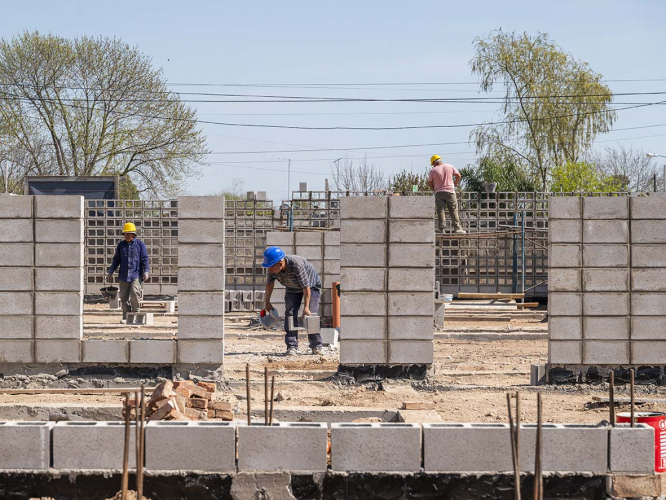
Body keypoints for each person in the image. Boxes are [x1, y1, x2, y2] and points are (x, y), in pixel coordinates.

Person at [262, 246, 323, 356]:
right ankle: (292, 346)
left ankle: (316, 346)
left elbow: (306, 287)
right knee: (290, 314)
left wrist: (306, 307)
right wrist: (267, 302)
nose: (270, 270)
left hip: (311, 286)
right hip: (292, 287)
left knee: (311, 315)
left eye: (271, 267)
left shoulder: (296, 265)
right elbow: (269, 284)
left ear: (280, 263)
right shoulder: (272, 269)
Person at [107, 222, 150, 324]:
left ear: (134, 234)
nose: (127, 236)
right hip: (123, 275)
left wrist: (146, 271)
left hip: (136, 274)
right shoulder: (121, 245)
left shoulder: (140, 244)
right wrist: (111, 271)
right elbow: (116, 259)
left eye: (129, 234)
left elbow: (145, 259)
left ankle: (136, 313)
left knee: (135, 293)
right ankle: (126, 316)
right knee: (123, 297)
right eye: (125, 234)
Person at [427, 155, 466, 234]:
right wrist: (455, 183)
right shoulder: (450, 166)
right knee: (453, 210)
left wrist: (434, 189)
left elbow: (429, 182)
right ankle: (457, 228)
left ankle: (442, 229)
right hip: (450, 192)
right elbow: (458, 175)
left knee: (441, 211)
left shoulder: (433, 171)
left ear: (434, 162)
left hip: (439, 193)